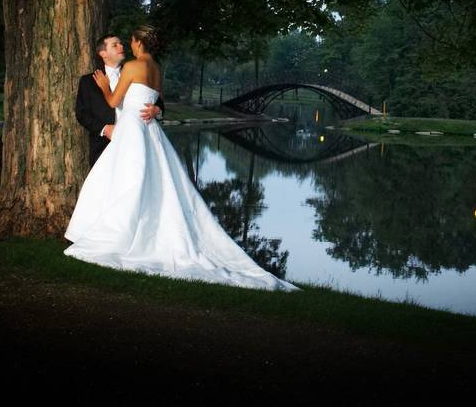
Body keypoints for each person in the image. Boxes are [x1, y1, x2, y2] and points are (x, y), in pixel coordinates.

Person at [64, 25, 300, 292]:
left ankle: (121, 237)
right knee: (135, 181)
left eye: (127, 42)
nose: (125, 46)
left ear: (139, 43)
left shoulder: (131, 67)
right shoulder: (154, 68)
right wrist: (152, 107)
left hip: (133, 132)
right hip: (137, 135)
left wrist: (115, 92)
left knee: (132, 183)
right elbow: (150, 97)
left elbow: (116, 102)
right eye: (117, 44)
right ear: (102, 53)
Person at [75, 34, 163, 168]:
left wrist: (157, 110)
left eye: (121, 43)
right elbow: (82, 114)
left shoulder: (136, 72)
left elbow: (156, 99)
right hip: (103, 147)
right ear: (103, 53)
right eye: (115, 45)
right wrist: (105, 129)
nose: (121, 46)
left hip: (138, 142)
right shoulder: (88, 81)